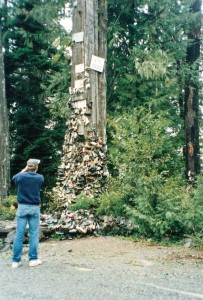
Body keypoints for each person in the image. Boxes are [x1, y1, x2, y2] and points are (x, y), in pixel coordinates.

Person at [12, 158, 44, 268]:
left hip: (22, 207)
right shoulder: (40, 178)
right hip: (34, 208)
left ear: (27, 166)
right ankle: (33, 259)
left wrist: (23, 170)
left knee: (19, 235)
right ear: (36, 167)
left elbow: (14, 178)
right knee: (34, 234)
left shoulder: (21, 176)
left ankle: (16, 261)